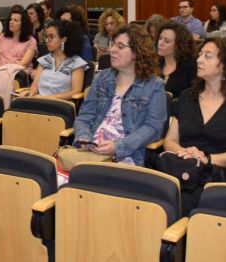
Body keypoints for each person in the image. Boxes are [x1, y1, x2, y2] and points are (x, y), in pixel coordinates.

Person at [161, 38, 226, 215]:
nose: (199, 60)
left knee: (183, 203)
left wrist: (207, 158)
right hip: (184, 166)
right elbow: (170, 141)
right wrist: (188, 154)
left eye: (208, 56)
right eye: (199, 55)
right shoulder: (185, 98)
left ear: (225, 65)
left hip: (220, 174)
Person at [73, 24, 167, 166]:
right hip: (90, 150)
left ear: (136, 52)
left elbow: (153, 128)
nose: (112, 50)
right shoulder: (102, 78)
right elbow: (85, 117)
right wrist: (84, 138)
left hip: (126, 155)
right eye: (113, 44)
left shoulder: (154, 85)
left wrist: (118, 147)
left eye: (120, 46)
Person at [21, 20, 87, 100]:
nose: (47, 40)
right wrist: (31, 92)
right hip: (39, 102)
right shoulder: (44, 60)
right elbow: (35, 86)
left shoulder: (76, 63)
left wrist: (48, 98)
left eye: (51, 37)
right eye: (47, 37)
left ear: (63, 39)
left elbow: (75, 91)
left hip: (60, 105)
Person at [0, 8, 37, 73]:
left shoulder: (31, 41)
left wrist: (6, 71)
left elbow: (23, 64)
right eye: (11, 19)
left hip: (18, 73)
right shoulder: (2, 37)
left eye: (15, 20)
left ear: (23, 24)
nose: (11, 22)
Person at [157, 20, 197, 98]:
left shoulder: (191, 66)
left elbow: (193, 97)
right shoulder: (155, 63)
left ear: (179, 45)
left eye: (167, 41)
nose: (160, 43)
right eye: (160, 38)